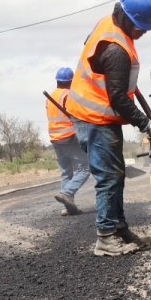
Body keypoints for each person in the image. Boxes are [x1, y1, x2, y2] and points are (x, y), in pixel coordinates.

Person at [64, 0, 151, 257]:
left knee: (116, 174)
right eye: (139, 27)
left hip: (99, 116)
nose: (142, 32)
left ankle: (119, 229)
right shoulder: (116, 50)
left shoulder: (108, 23)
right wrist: (147, 124)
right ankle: (106, 237)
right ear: (125, 17)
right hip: (94, 117)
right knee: (108, 177)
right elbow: (119, 99)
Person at [47, 66, 90, 216]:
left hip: (54, 138)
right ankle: (67, 192)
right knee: (85, 167)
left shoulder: (52, 96)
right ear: (70, 81)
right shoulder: (69, 95)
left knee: (66, 172)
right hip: (68, 136)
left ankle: (68, 206)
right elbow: (78, 115)